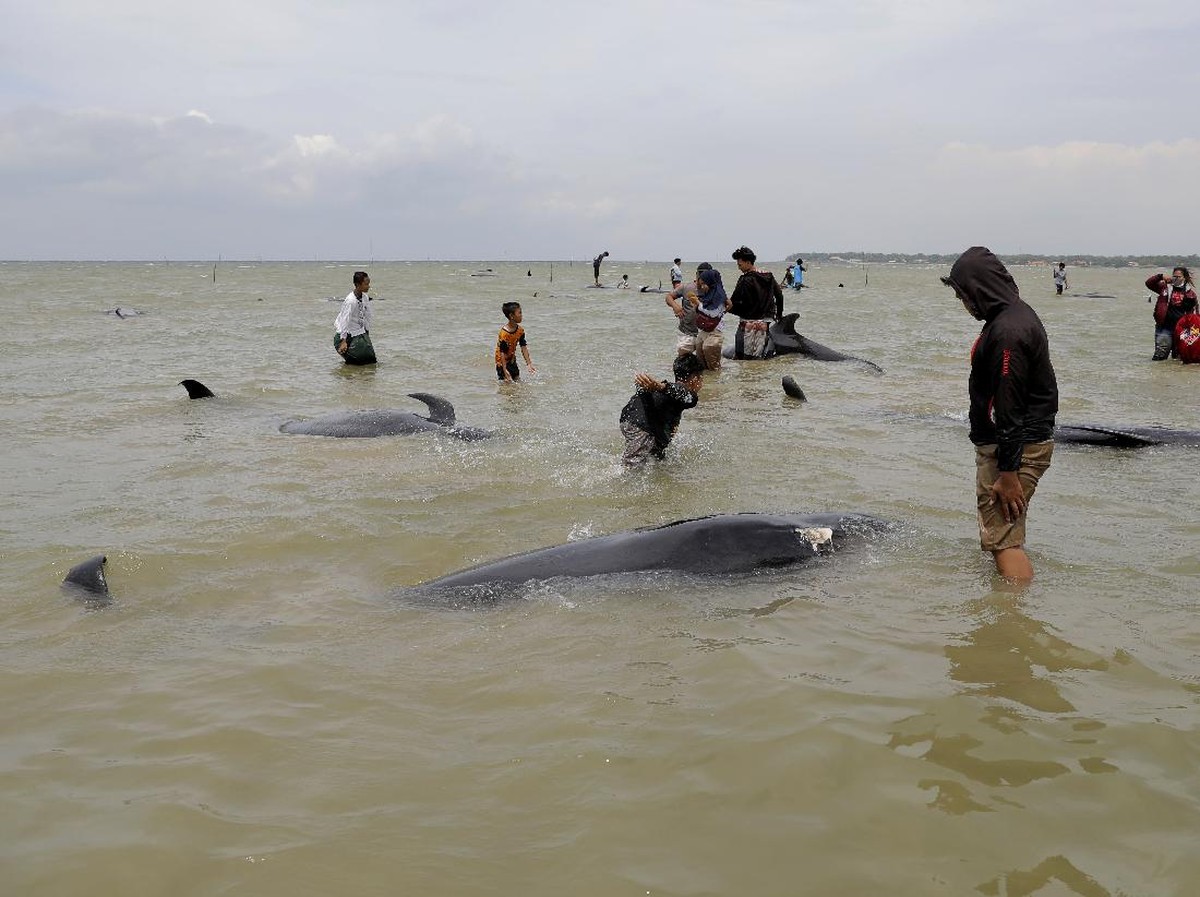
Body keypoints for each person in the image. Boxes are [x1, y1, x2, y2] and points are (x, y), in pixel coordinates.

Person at [941, 246, 1058, 582]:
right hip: (1017, 444)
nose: (963, 304)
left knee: (1003, 540)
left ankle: (1013, 609)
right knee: (1004, 534)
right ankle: (1011, 601)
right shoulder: (1013, 316)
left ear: (978, 291)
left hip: (1015, 449)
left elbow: (1009, 404)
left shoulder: (1008, 331)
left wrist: (1008, 474)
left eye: (963, 296)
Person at [618, 353, 704, 464]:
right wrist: (660, 387)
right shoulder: (684, 394)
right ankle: (616, 474)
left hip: (630, 418)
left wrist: (644, 386)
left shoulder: (664, 390)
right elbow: (680, 392)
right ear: (695, 379)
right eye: (702, 379)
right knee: (633, 465)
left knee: (657, 457)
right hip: (641, 425)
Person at [727, 245, 784, 358]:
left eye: (740, 264)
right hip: (765, 322)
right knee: (758, 356)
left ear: (748, 262)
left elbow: (734, 302)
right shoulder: (768, 276)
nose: (738, 268)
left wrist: (726, 308)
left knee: (742, 357)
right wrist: (779, 315)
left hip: (747, 323)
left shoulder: (745, 279)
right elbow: (779, 296)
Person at [1146, 266, 1198, 360]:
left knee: (1179, 357)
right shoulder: (1164, 287)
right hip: (1164, 327)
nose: (1176, 279)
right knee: (1160, 355)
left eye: (1179, 277)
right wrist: (1160, 276)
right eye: (1174, 276)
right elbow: (1149, 283)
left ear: (1184, 278)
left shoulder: (1191, 294)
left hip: (1182, 330)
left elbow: (1195, 313)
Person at [664, 263, 706, 361]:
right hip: (686, 332)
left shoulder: (712, 290)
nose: (702, 278)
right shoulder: (686, 287)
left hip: (705, 332)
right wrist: (675, 306)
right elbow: (669, 297)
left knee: (704, 363)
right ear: (696, 274)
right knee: (682, 359)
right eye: (700, 275)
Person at [334, 271, 376, 365]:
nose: (368, 286)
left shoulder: (365, 297)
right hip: (346, 335)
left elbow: (368, 315)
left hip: (360, 333)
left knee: (371, 360)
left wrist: (366, 333)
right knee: (357, 361)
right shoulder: (350, 301)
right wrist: (343, 341)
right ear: (358, 285)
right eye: (366, 284)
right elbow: (345, 320)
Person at [694, 265, 728, 370]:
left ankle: (716, 376)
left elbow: (713, 313)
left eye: (704, 284)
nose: (702, 287)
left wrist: (698, 304)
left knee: (709, 349)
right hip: (705, 329)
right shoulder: (708, 295)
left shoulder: (719, 295)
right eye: (701, 284)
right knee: (699, 350)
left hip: (715, 330)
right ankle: (707, 379)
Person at [495, 301, 536, 381]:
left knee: (517, 380)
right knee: (507, 383)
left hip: (512, 360)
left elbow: (523, 347)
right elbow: (502, 352)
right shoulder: (504, 334)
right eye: (519, 313)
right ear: (511, 316)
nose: (521, 315)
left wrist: (529, 364)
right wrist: (505, 371)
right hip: (501, 363)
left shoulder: (520, 330)